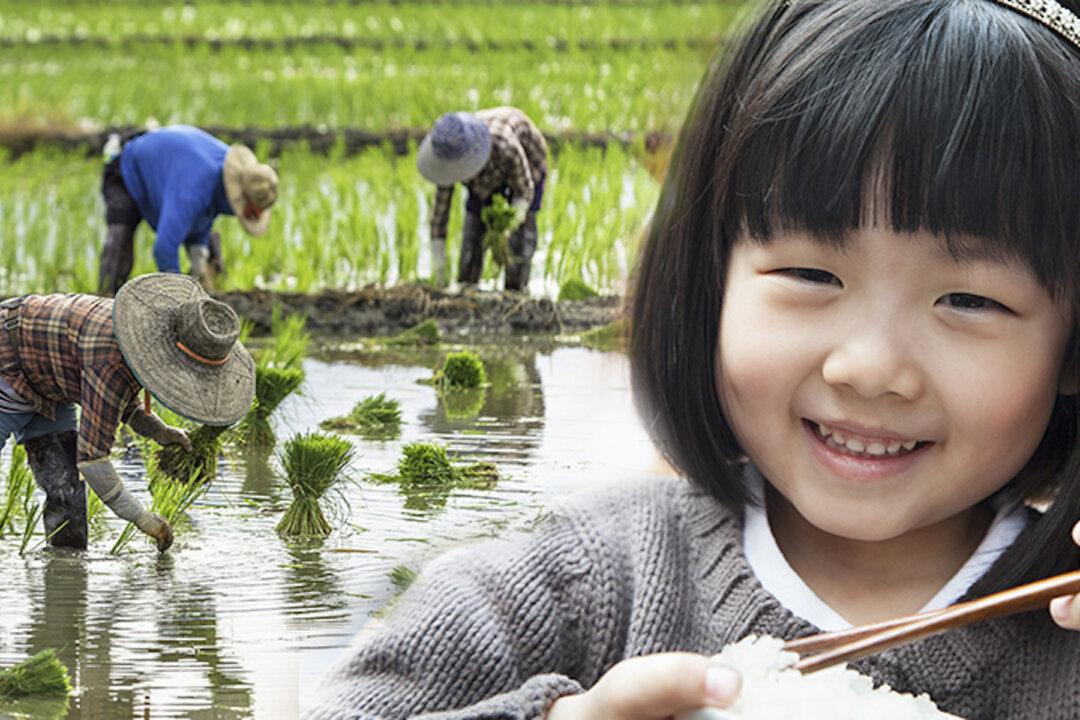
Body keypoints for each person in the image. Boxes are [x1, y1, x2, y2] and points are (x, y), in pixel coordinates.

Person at [305, 1, 1080, 717]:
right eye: (812, 275)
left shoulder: (1064, 639)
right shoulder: (588, 579)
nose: (869, 368)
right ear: (711, 285)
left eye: (970, 301)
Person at [0, 274, 255, 551]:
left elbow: (119, 397)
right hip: (7, 357)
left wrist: (160, 431)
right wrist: (141, 518)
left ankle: (66, 573)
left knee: (66, 489)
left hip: (50, 381)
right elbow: (93, 460)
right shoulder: (111, 357)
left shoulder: (140, 345)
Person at [99, 125, 279, 296]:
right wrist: (180, 294)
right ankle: (107, 297)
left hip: (174, 177)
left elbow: (204, 214)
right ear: (242, 197)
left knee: (208, 251)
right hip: (126, 167)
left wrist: (199, 263)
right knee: (121, 234)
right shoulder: (193, 190)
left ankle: (211, 289)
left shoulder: (220, 181)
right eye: (251, 213)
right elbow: (164, 248)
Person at [417, 107, 548, 292]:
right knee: (473, 238)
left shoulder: (505, 146)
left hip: (526, 167)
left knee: (520, 243)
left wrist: (509, 224)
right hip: (485, 178)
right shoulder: (448, 155)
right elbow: (440, 212)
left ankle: (516, 291)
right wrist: (439, 267)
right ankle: (467, 286)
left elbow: (524, 190)